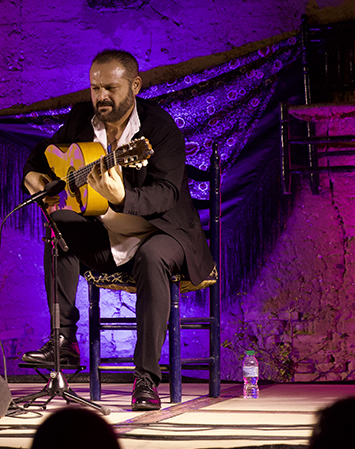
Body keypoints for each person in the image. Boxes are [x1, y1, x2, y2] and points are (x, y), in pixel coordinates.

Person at [20, 49, 214, 411]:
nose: (101, 97)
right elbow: (43, 154)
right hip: (108, 236)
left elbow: (167, 193)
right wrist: (32, 175)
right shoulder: (81, 118)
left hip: (161, 233)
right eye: (95, 88)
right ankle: (63, 340)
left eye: (110, 87)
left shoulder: (159, 129)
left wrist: (124, 197)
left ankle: (146, 379)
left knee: (152, 256)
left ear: (135, 85)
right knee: (59, 226)